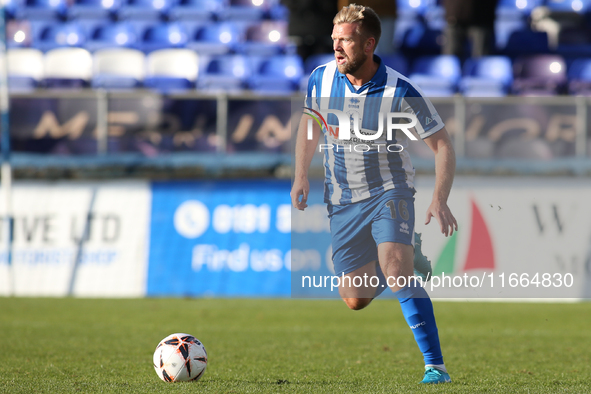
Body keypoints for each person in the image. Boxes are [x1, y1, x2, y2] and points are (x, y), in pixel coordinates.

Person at [290, 4, 458, 384]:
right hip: (342, 200)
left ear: (368, 44)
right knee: (355, 299)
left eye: (344, 41)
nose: (336, 48)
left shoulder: (400, 90)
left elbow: (442, 144)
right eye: (334, 40)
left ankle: (436, 367)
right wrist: (301, 175)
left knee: (396, 268)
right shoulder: (321, 78)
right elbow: (309, 122)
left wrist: (439, 197)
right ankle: (404, 258)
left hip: (389, 191)